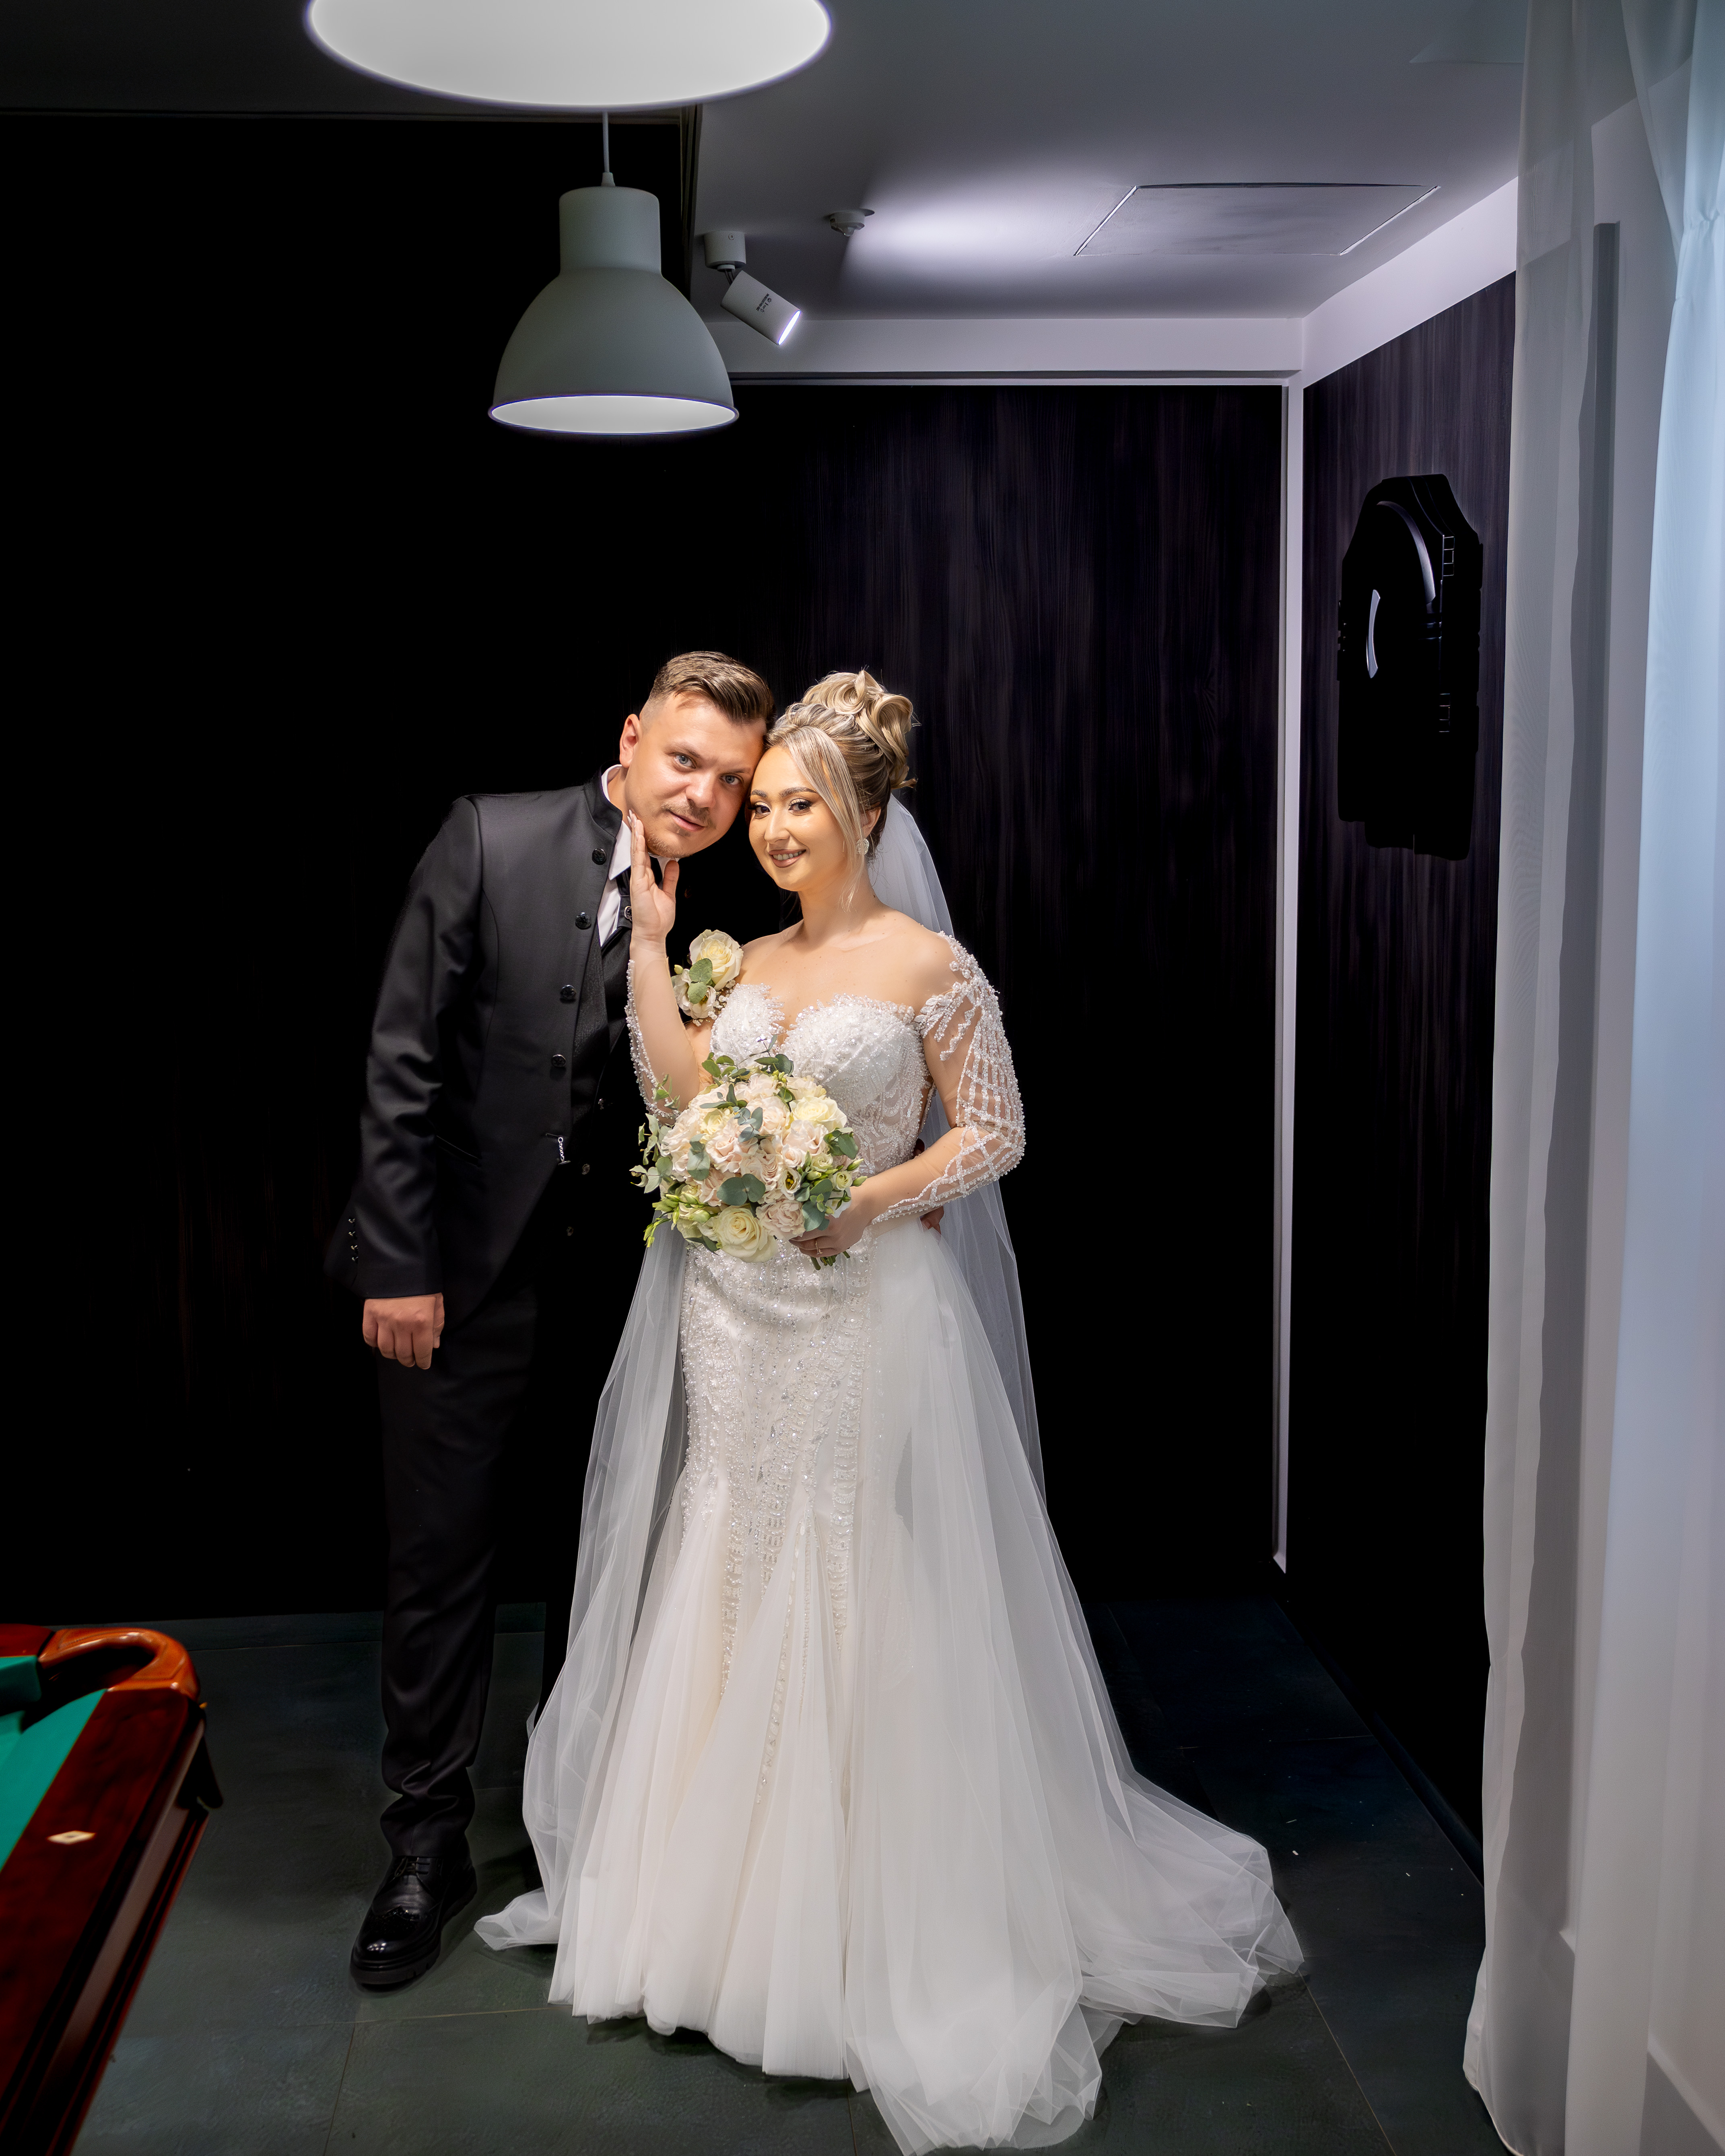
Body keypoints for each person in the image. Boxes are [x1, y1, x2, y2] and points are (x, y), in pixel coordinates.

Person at [477, 671, 1300, 2152]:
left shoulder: (928, 964)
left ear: (865, 815)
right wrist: (655, 949)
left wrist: (868, 1199)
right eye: (766, 805)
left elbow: (998, 1131)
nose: (774, 828)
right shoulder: (742, 960)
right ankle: (716, 1901)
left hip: (863, 1309)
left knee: (856, 1557)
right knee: (730, 1547)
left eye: (803, 804)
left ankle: (870, 1900)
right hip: (736, 1306)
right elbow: (679, 1104)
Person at [327, 651, 775, 1990]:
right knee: (441, 1566)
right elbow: (401, 1058)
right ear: (632, 739)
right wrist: (397, 1264)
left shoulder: (745, 900)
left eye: (732, 780)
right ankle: (424, 1848)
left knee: (609, 1558)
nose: (703, 796)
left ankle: (578, 1824)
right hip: (457, 1283)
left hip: (622, 1292)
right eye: (685, 761)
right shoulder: (491, 836)